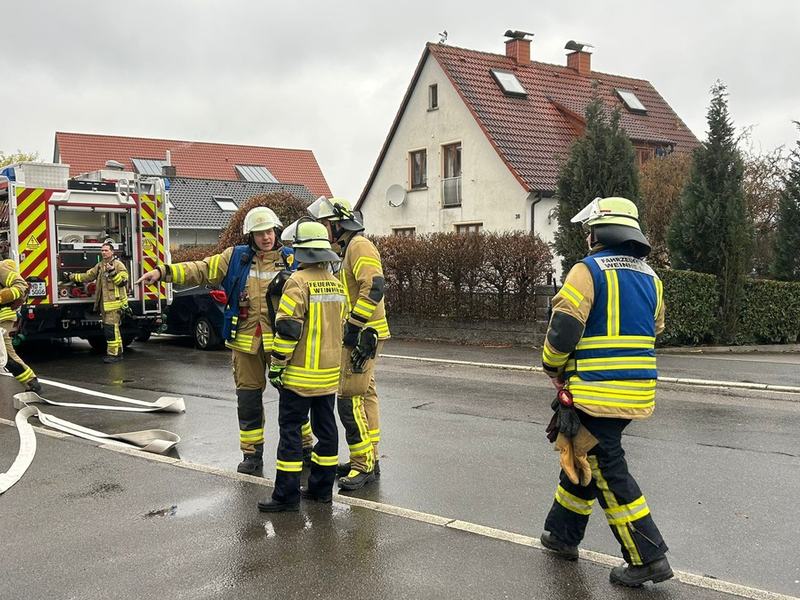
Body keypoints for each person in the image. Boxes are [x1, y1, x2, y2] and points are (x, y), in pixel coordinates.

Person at [539, 196, 673, 588]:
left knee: (608, 469)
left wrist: (552, 367)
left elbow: (564, 329)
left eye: (590, 230)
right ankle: (561, 535)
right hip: (636, 393)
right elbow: (657, 328)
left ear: (599, 232)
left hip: (597, 393)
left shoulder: (588, 270)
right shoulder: (651, 276)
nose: (588, 237)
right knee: (585, 453)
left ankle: (648, 556)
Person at [136, 206, 294, 475]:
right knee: (248, 401)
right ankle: (252, 454)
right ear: (251, 235)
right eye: (259, 233)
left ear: (275, 231)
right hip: (245, 343)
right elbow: (201, 269)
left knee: (293, 399)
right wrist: (164, 272)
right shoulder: (236, 258)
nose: (266, 237)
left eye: (269, 231)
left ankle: (302, 448)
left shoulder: (291, 259)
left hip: (282, 344)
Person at [257, 219, 346, 512]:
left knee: (291, 433)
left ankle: (286, 495)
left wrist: (277, 366)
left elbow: (287, 331)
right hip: (328, 377)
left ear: (300, 250)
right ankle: (322, 490)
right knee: (327, 431)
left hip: (299, 378)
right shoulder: (336, 284)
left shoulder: (297, 282)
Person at [308, 197, 390, 491]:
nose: (323, 229)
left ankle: (362, 465)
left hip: (362, 336)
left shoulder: (358, 246)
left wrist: (354, 326)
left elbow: (375, 287)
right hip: (365, 333)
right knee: (365, 396)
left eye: (325, 223)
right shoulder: (347, 249)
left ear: (338, 224)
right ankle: (369, 457)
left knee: (349, 398)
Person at [64, 242, 129, 364]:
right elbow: (87, 276)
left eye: (106, 250)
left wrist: (112, 272)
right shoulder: (100, 266)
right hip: (104, 304)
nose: (104, 252)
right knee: (114, 329)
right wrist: (71, 277)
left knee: (110, 329)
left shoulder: (118, 265)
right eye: (102, 250)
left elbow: (123, 282)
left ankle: (113, 354)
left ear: (112, 252)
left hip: (115, 304)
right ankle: (118, 352)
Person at [0, 259, 41, 393]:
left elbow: (21, 285)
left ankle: (31, 382)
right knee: (7, 354)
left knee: (5, 354)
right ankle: (30, 381)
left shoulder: (1, 268)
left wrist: (2, 297)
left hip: (3, 316)